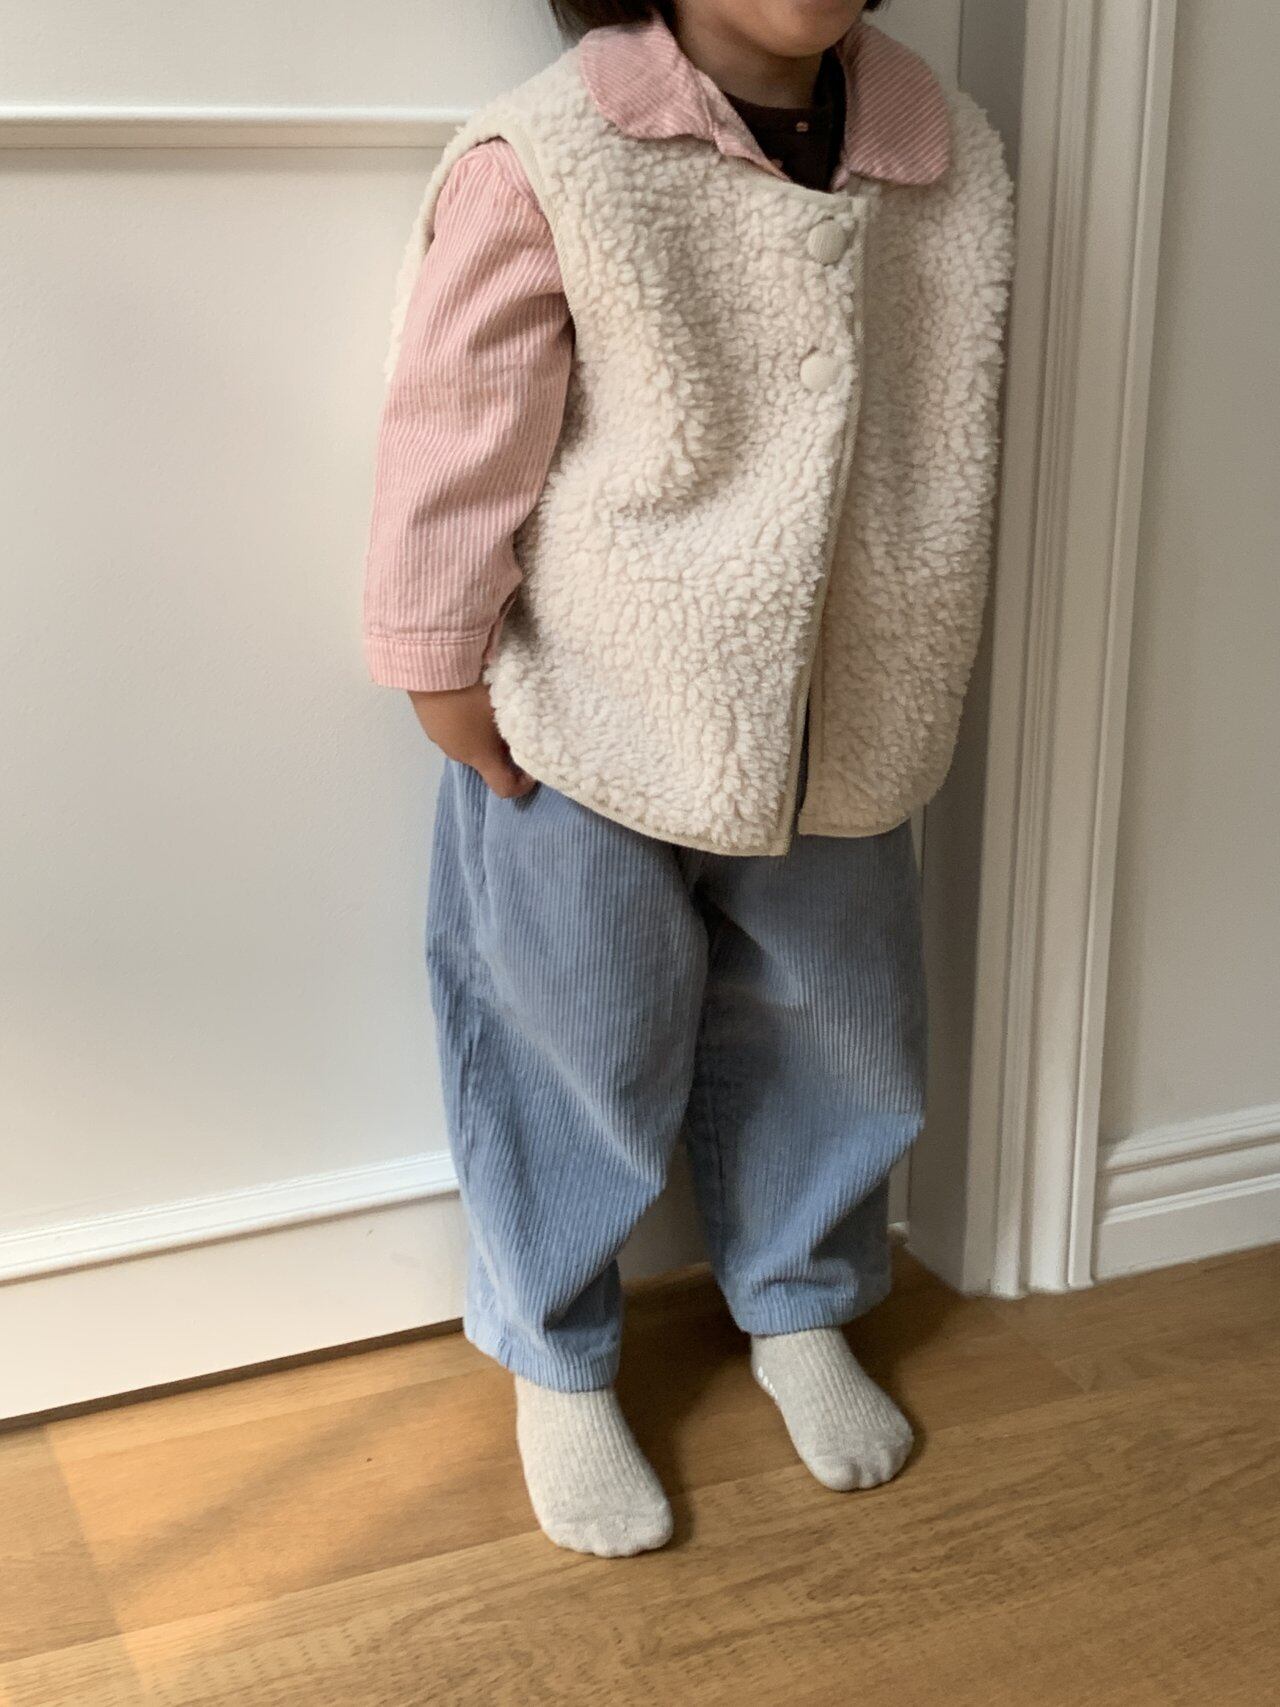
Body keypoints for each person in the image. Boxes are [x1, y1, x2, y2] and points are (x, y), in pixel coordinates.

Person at [362, 0, 1014, 1557]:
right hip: (594, 705)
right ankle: (555, 1348)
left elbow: (946, 407)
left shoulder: (943, 150)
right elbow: (459, 421)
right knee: (572, 1032)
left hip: (846, 702)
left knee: (842, 1022)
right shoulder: (553, 151)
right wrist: (440, 654)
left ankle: (801, 1299)